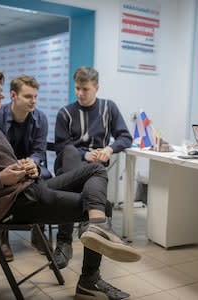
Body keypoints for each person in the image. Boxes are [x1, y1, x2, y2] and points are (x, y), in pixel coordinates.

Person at [0, 64, 140, 300]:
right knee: (101, 207)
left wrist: (29, 168)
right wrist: (0, 178)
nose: (1, 95)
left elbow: (4, 163)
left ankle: (96, 227)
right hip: (16, 202)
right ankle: (89, 279)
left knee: (95, 170)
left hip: (28, 188)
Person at [53, 66, 132, 269]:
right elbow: (62, 147)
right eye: (77, 88)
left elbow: (125, 137)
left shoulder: (109, 108)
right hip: (70, 166)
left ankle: (79, 235)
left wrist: (109, 149)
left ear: (96, 87)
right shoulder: (65, 113)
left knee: (94, 188)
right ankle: (68, 238)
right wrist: (85, 154)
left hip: (96, 166)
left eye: (85, 89)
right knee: (75, 166)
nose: (80, 93)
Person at [0, 75, 50, 262]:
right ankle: (2, 236)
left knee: (45, 177)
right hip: (4, 166)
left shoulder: (41, 118)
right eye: (28, 96)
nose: (34, 101)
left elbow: (39, 151)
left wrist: (32, 162)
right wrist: (15, 167)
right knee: (4, 180)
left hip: (29, 166)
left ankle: (38, 232)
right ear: (13, 95)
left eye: (35, 97)